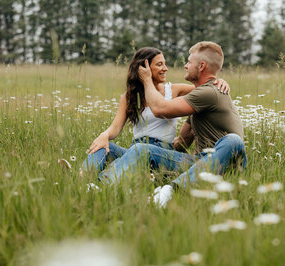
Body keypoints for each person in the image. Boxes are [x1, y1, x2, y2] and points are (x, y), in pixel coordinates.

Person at [99, 41, 246, 207]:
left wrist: (147, 80)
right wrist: (147, 155)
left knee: (233, 140)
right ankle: (101, 187)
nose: (185, 65)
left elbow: (160, 109)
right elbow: (181, 143)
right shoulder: (198, 99)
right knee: (139, 149)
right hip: (197, 163)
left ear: (202, 66)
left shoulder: (210, 92)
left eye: (189, 62)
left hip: (224, 163)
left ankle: (171, 191)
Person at [82, 47, 230, 174]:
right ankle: (83, 176)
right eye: (160, 64)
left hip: (163, 149)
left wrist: (219, 81)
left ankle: (105, 179)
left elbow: (205, 90)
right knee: (104, 148)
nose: (165, 68)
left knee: (137, 153)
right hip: (136, 148)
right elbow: (115, 128)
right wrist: (104, 135)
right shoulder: (129, 97)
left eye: (165, 64)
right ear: (144, 68)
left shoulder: (173, 90)